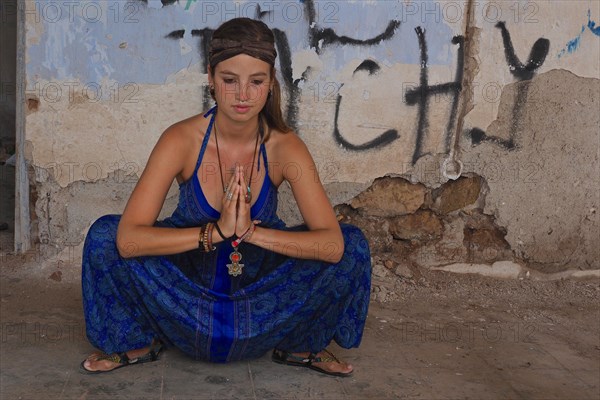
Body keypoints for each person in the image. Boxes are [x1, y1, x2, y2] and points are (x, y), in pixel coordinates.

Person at [80, 17, 371, 377]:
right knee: (104, 237)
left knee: (353, 244)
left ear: (270, 83)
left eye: (257, 81)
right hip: (184, 298)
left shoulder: (285, 148)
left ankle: (302, 345)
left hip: (262, 300)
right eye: (230, 80)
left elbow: (332, 246)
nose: (244, 95)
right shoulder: (181, 139)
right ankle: (136, 340)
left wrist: (251, 233)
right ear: (211, 79)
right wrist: (215, 233)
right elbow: (128, 241)